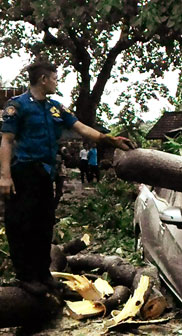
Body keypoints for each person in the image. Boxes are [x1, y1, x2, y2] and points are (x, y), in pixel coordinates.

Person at [0, 61, 135, 296]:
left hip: (45, 173)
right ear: (43, 79)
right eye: (54, 78)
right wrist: (4, 176)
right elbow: (6, 141)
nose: (56, 81)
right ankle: (26, 277)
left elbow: (82, 128)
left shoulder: (56, 108)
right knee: (21, 225)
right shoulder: (17, 106)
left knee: (43, 223)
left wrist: (110, 140)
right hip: (23, 171)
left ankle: (43, 274)